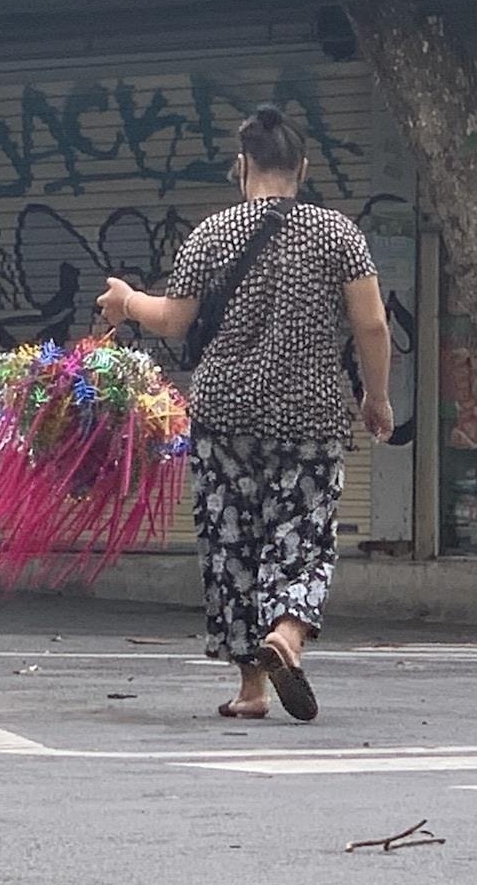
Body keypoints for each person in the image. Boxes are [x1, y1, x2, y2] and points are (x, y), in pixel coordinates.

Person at [96, 105, 393, 723]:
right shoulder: (339, 235)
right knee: (303, 534)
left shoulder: (211, 233)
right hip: (309, 410)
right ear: (303, 169)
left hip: (224, 413)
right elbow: (370, 322)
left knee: (233, 543)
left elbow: (174, 320)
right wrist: (377, 397)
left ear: (241, 168)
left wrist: (126, 301)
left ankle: (251, 690)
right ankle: (286, 632)